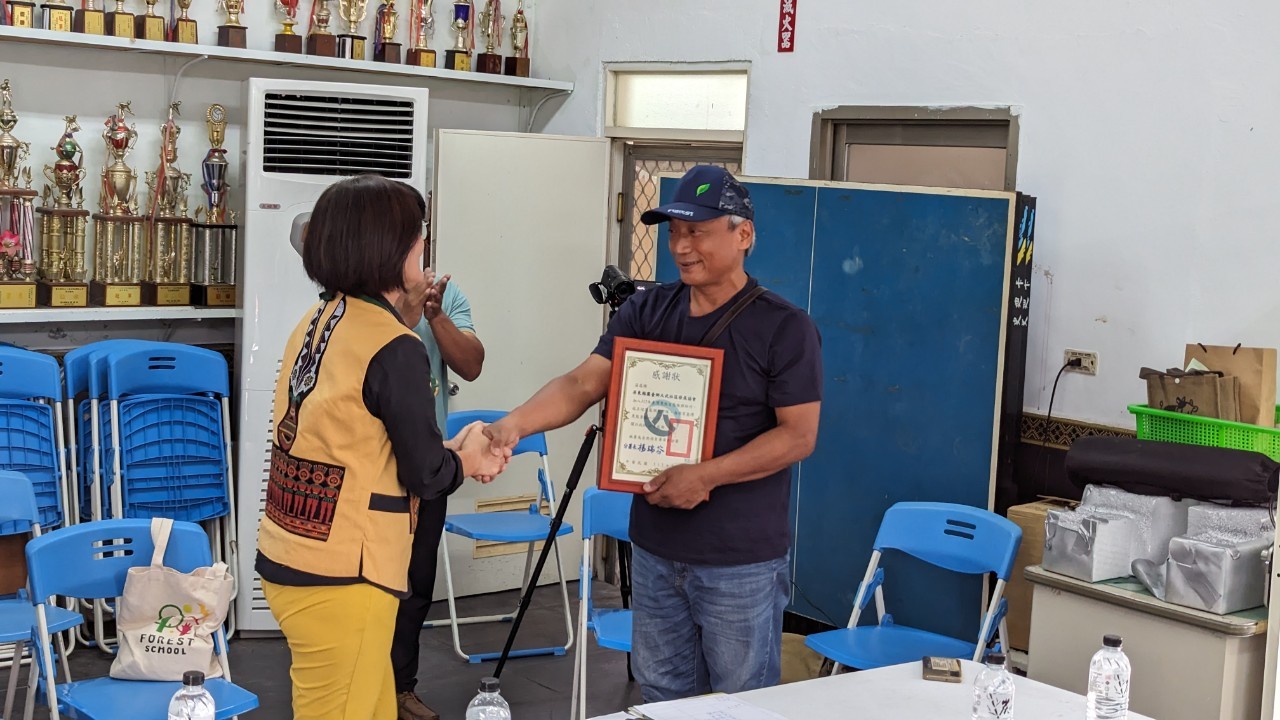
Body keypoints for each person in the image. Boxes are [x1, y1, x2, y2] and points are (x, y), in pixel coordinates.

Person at [483, 165, 823, 702]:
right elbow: (582, 383)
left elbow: (798, 436)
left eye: (698, 231)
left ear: (743, 234)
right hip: (655, 548)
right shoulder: (648, 309)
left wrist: (706, 476)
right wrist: (511, 426)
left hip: (739, 560)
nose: (682, 246)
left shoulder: (784, 327)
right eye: (675, 232)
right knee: (662, 691)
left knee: (740, 701)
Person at [256, 174, 509, 720]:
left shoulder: (319, 320)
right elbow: (427, 473)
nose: (423, 245)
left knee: (371, 706)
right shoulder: (391, 343)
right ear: (388, 248)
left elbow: (356, 439)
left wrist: (451, 448)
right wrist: (468, 456)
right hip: (345, 572)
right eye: (416, 235)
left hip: (295, 553)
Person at [392, 206, 486, 720]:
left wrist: (434, 316)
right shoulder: (358, 298)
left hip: (427, 466)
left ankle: (400, 689)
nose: (419, 248)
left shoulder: (444, 296)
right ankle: (362, 690)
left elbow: (470, 365)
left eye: (420, 238)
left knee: (416, 585)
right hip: (370, 471)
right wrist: (406, 313)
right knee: (371, 588)